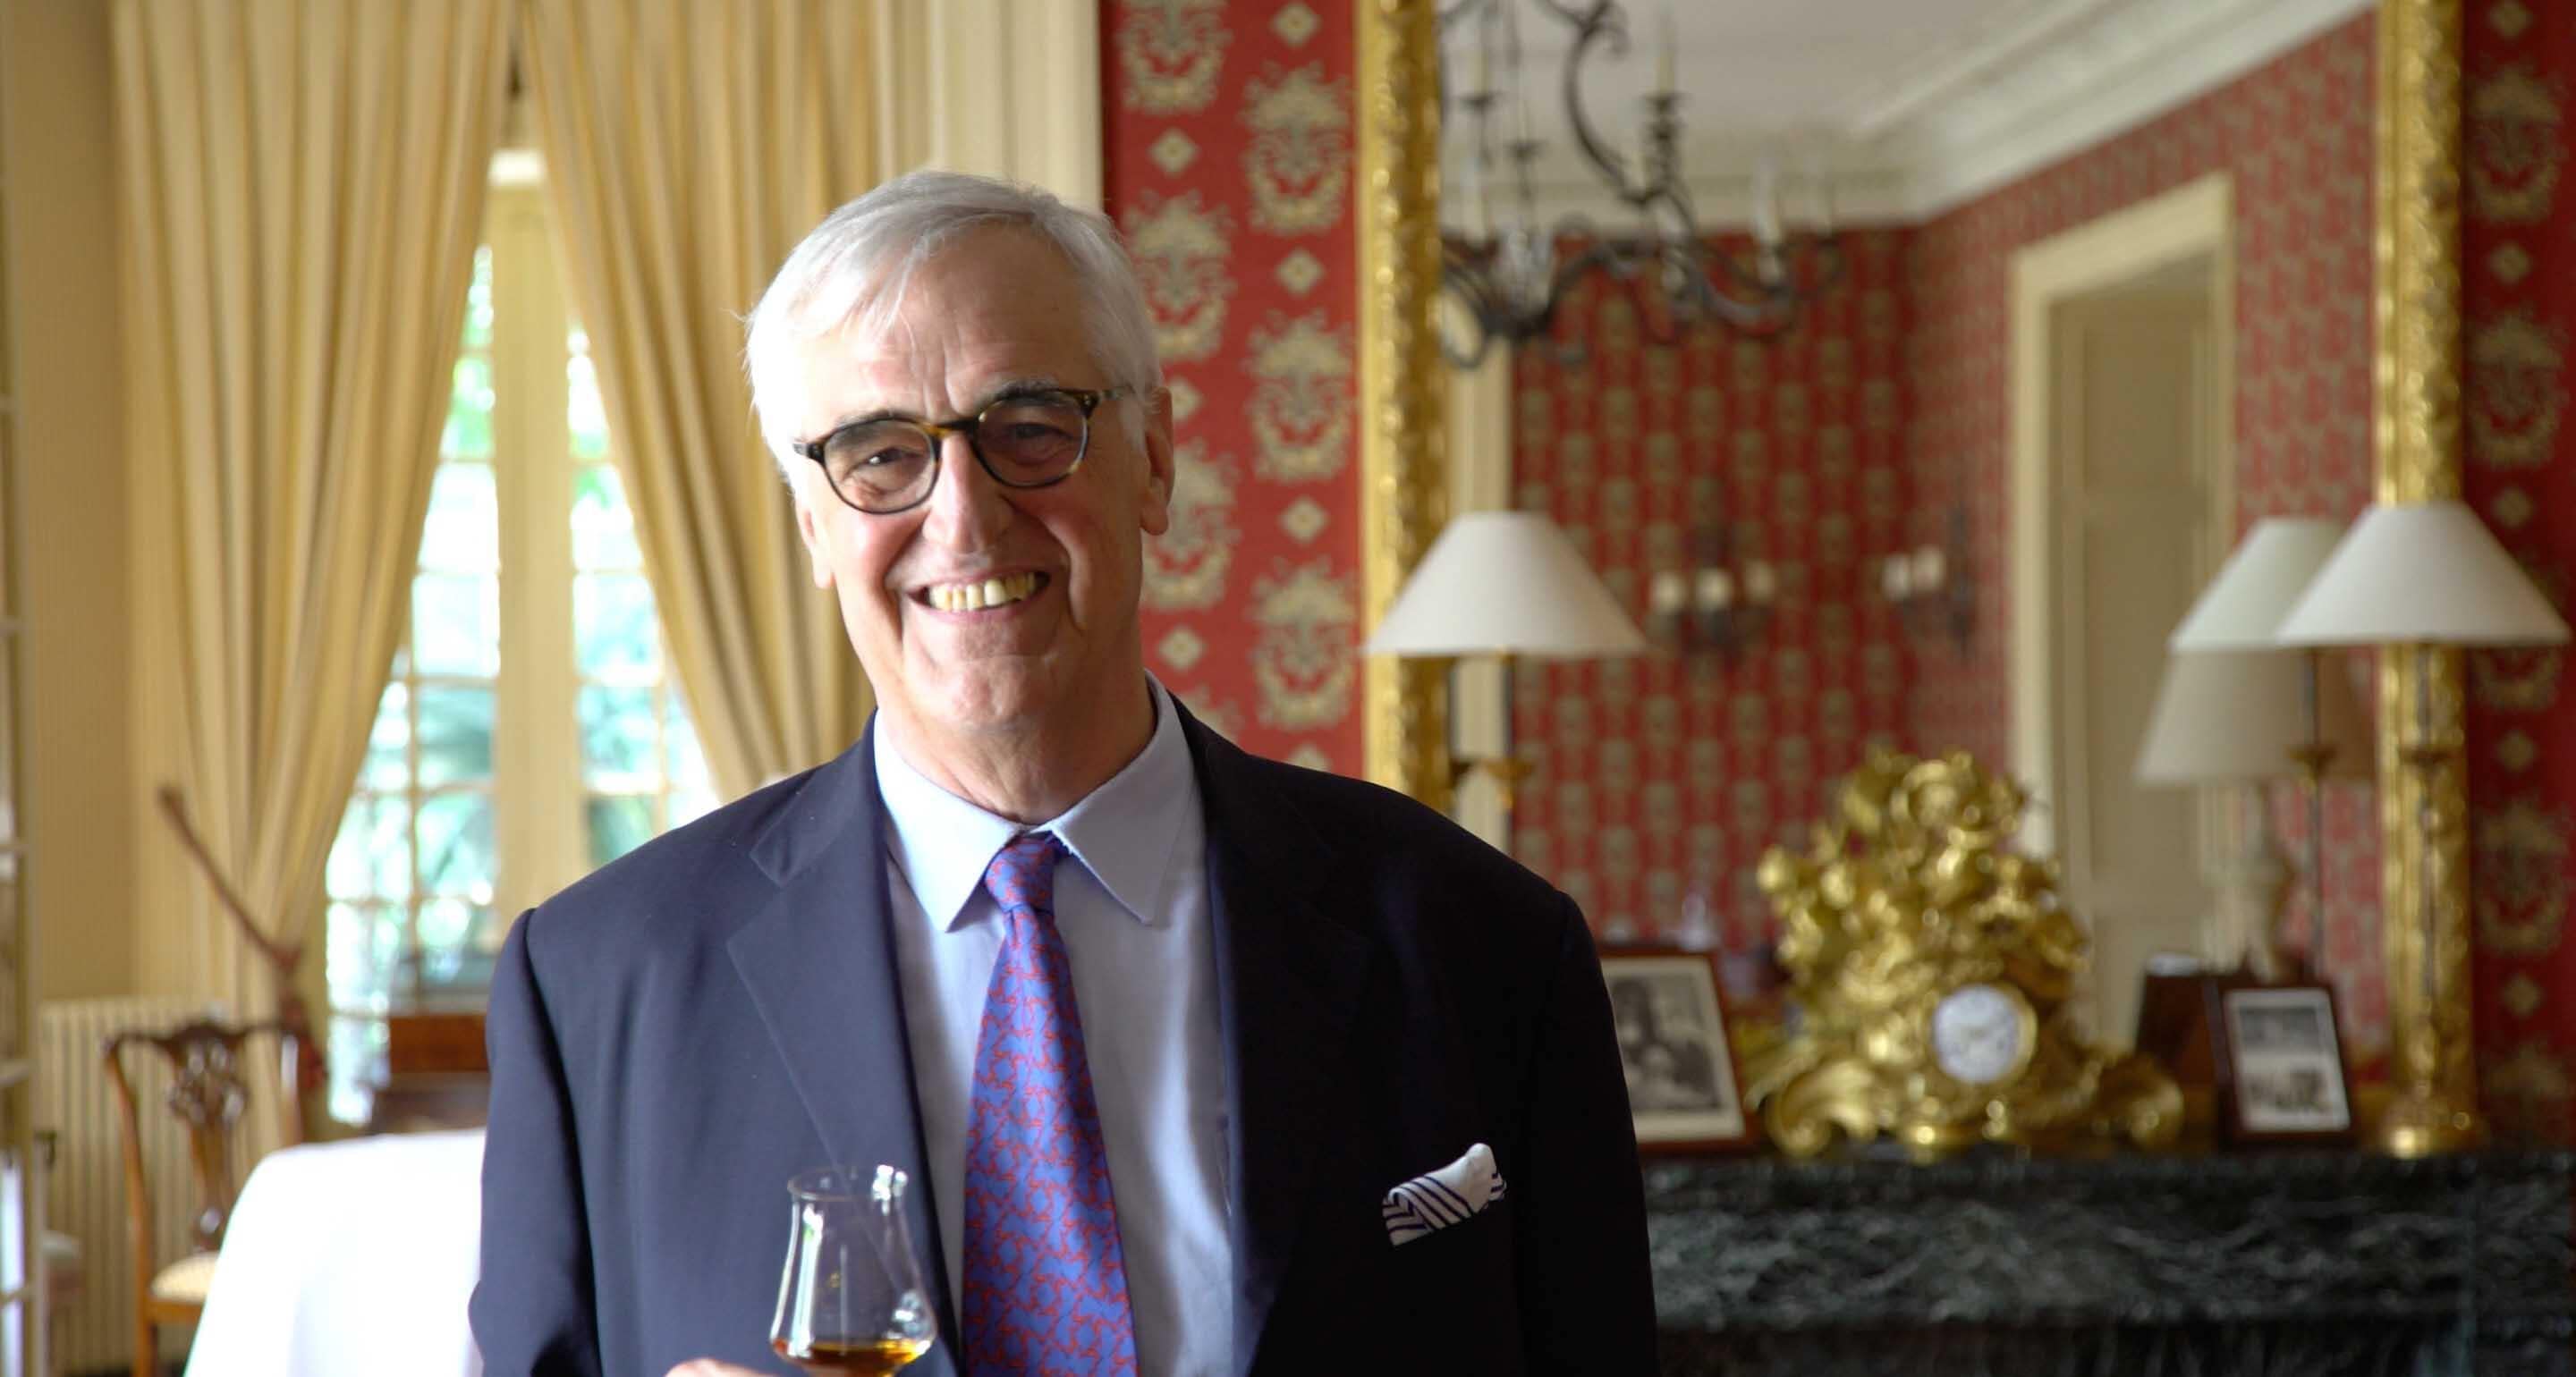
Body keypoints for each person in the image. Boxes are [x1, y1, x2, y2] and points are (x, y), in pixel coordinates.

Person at [470, 170, 1656, 1377]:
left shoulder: (1488, 945)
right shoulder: (596, 988)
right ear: (815, 526)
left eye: (1029, 427)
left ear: (1154, 457)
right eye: (880, 454)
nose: (965, 519)